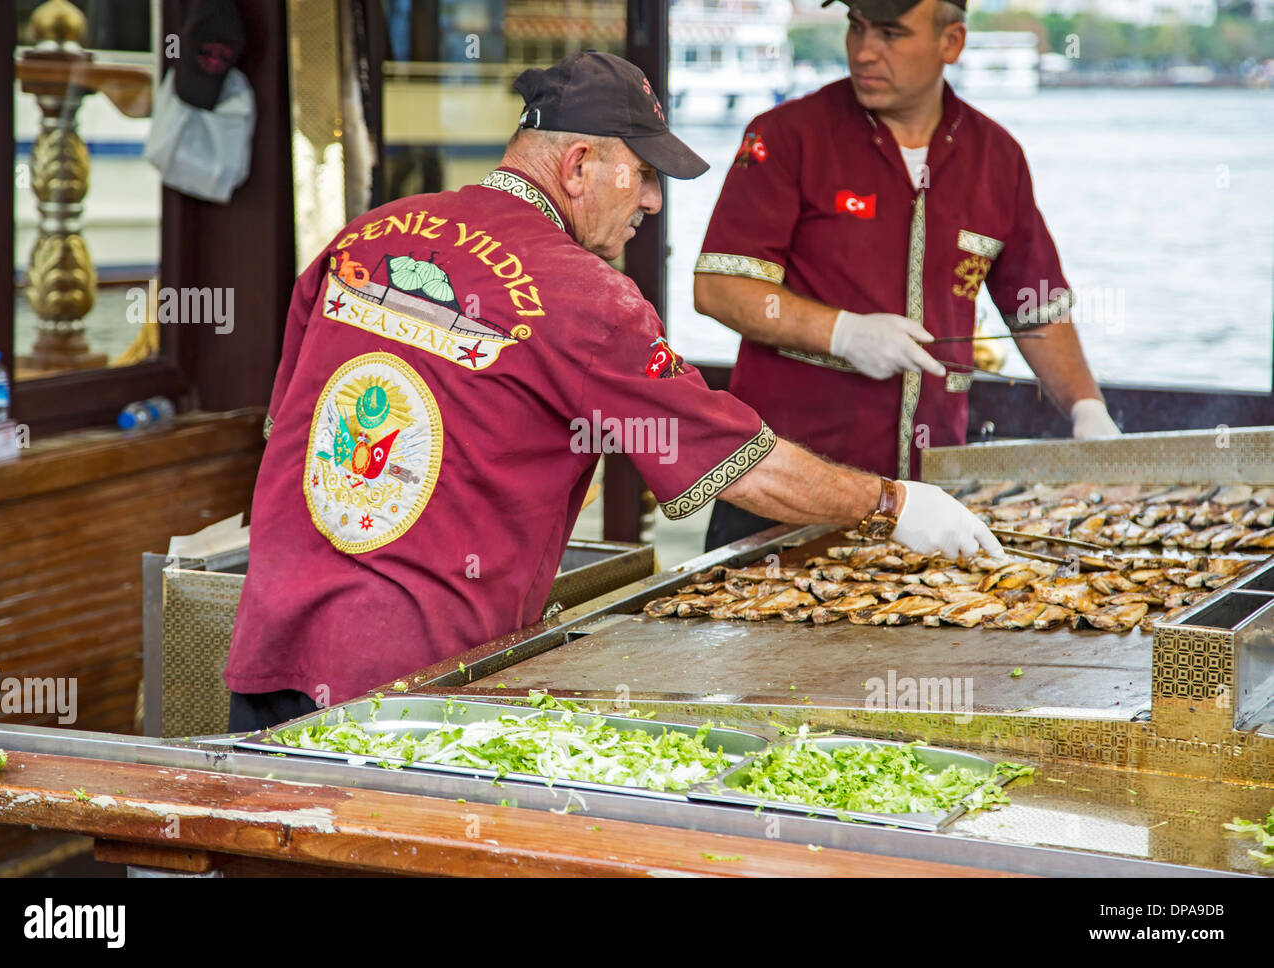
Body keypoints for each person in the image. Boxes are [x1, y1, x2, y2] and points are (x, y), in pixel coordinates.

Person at [223, 51, 1003, 732]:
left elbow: (290, 422)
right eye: (645, 174)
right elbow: (741, 465)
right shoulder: (585, 296)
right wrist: (894, 506)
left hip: (271, 646)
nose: (654, 202)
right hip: (410, 690)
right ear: (578, 166)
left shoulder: (365, 235)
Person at [694, 0, 1120, 552]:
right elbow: (720, 286)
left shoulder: (997, 157)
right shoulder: (785, 136)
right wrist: (843, 333)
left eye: (892, 33)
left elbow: (1035, 308)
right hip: (784, 494)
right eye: (856, 28)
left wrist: (1088, 410)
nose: (865, 51)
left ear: (953, 43)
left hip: (930, 505)